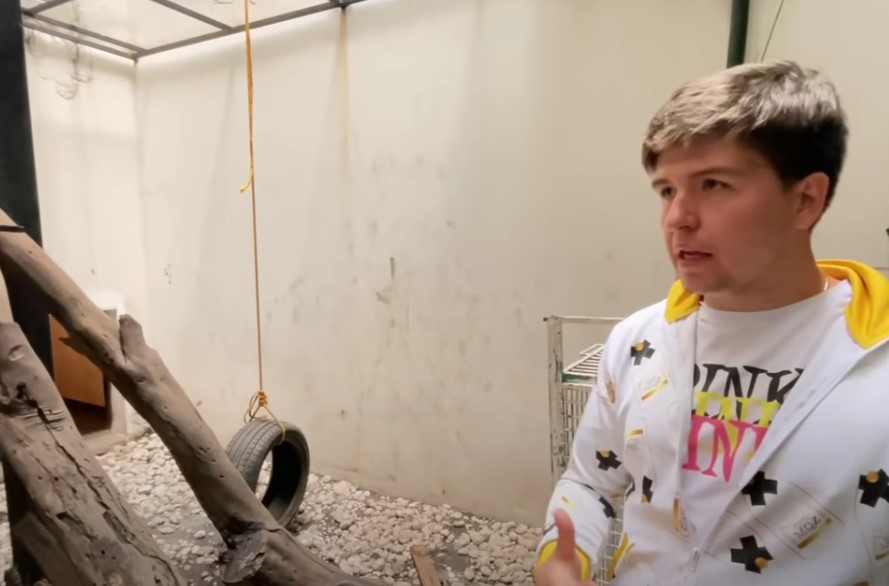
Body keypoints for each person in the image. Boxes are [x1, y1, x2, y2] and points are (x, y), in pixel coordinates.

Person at [532, 60, 889, 585]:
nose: (678, 217)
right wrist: (561, 559)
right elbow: (589, 480)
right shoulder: (637, 342)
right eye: (667, 190)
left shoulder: (876, 364)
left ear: (805, 200)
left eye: (714, 184)